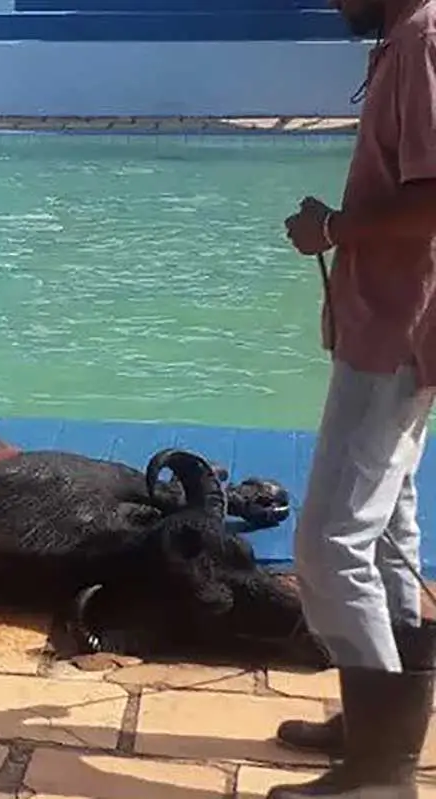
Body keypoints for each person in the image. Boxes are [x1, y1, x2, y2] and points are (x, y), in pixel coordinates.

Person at [273, 0, 436, 796]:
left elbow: (432, 198)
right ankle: (374, 723)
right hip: (396, 323)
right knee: (387, 534)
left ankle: (383, 767)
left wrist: (333, 228)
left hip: (396, 331)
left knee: (331, 543)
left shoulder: (424, 40)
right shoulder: (408, 38)